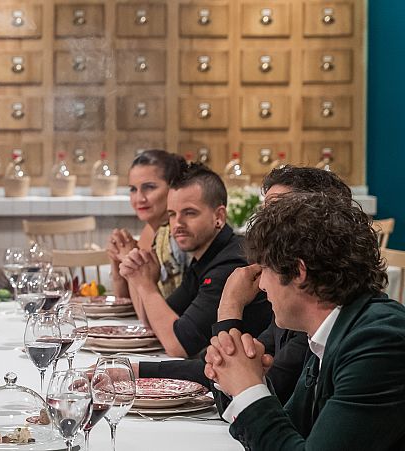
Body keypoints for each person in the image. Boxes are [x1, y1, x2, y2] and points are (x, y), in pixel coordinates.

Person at [138, 166, 353, 410]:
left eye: (277, 212)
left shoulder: (319, 312)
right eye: (264, 213)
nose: (262, 225)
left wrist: (230, 306)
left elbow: (181, 345)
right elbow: (229, 387)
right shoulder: (289, 305)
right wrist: (135, 370)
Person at [204, 193, 405, 450]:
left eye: (264, 269)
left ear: (298, 272)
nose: (262, 285)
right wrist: (251, 381)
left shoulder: (378, 342)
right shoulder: (331, 332)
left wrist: (248, 389)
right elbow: (294, 432)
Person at [119, 163, 271, 357]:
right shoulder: (205, 255)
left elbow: (178, 346)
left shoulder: (231, 263)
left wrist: (146, 286)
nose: (178, 224)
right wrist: (139, 277)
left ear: (219, 216)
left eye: (189, 213)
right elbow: (154, 324)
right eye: (172, 215)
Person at [107, 149, 189, 301]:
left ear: (173, 188)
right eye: (133, 189)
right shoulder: (149, 231)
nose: (139, 198)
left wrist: (129, 262)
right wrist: (116, 262)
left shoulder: (176, 237)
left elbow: (153, 312)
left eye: (149, 187)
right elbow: (124, 301)